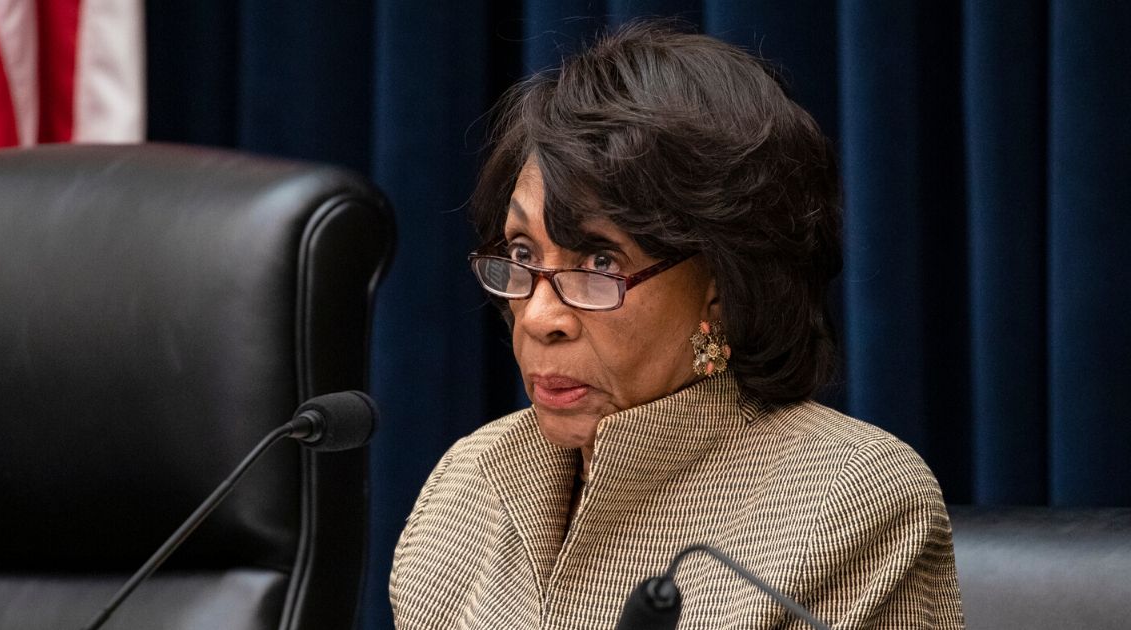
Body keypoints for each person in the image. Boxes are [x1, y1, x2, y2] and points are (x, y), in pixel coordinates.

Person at [389, 20, 963, 629]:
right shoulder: (470, 485)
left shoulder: (852, 501)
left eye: (600, 262)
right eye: (524, 254)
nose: (538, 316)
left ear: (720, 287)